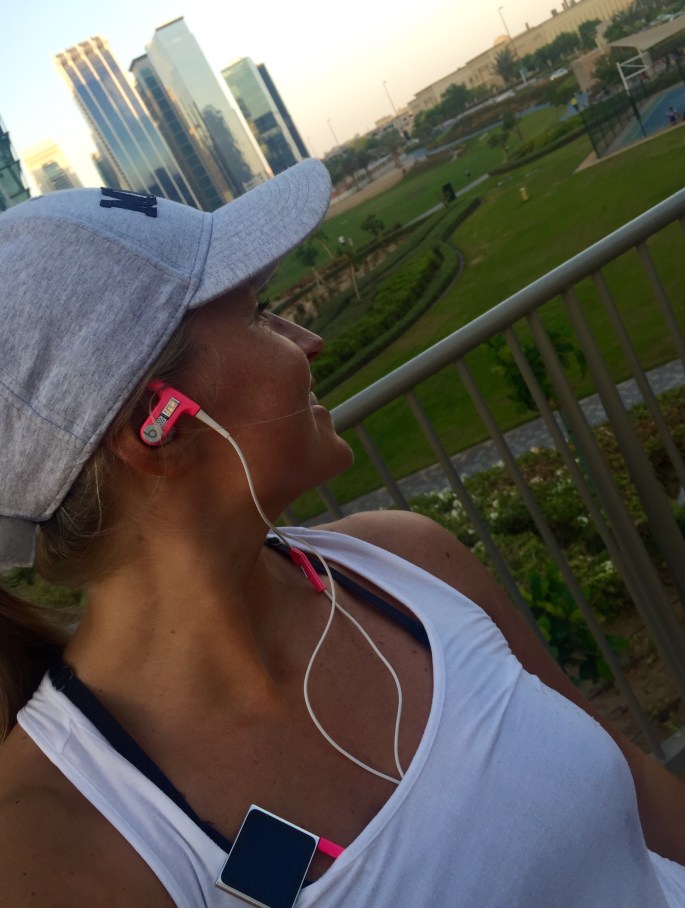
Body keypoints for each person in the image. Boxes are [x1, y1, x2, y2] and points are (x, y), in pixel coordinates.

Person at [0, 161, 683, 908]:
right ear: (157, 426)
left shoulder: (405, 561)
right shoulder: (55, 849)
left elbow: (641, 797)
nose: (311, 339)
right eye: (260, 314)